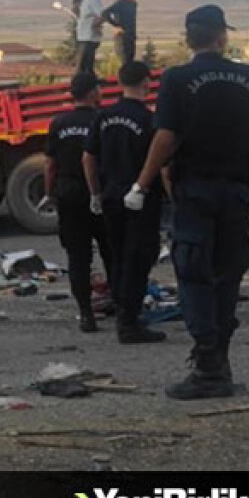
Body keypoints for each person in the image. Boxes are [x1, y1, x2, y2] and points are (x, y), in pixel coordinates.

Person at [127, 5, 249, 400]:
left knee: (194, 276)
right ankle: (219, 361)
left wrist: (141, 184)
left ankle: (207, 369)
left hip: (196, 192)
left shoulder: (178, 79)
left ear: (189, 39)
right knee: (227, 275)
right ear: (222, 37)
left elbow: (166, 137)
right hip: (237, 192)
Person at [83, 61, 165, 344]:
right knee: (139, 257)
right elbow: (161, 162)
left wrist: (95, 192)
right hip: (140, 198)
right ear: (147, 82)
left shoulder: (103, 117)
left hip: (111, 197)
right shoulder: (148, 119)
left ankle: (124, 311)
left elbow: (89, 157)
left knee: (118, 256)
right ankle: (129, 323)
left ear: (118, 81)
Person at [43, 72, 114, 332]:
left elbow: (51, 164)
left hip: (70, 192)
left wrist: (49, 193)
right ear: (93, 92)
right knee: (112, 252)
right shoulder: (103, 119)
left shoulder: (59, 123)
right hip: (100, 192)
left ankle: (86, 314)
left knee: (78, 257)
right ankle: (121, 307)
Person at [70, 0, 105, 75]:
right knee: (87, 67)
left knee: (81, 67)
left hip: (89, 39)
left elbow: (102, 15)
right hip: (82, 38)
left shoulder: (92, 0)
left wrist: (96, 25)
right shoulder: (83, 2)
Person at [102, 0, 141, 65]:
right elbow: (105, 13)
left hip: (131, 38)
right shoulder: (120, 3)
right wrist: (115, 26)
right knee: (125, 64)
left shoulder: (134, 4)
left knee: (130, 63)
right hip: (121, 39)